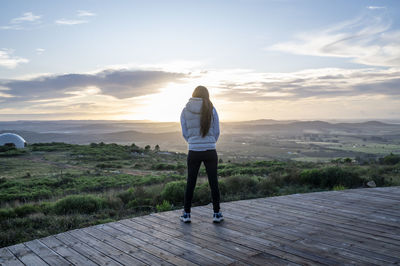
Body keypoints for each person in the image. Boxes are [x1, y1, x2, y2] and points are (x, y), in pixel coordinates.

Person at [180, 85, 223, 223]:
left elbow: (185, 132)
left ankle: (186, 214)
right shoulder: (211, 109)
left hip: (193, 151)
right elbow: (217, 131)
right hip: (210, 151)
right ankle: (217, 214)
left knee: (190, 183)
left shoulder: (185, 110)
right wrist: (210, 143)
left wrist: (193, 143)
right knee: (213, 183)